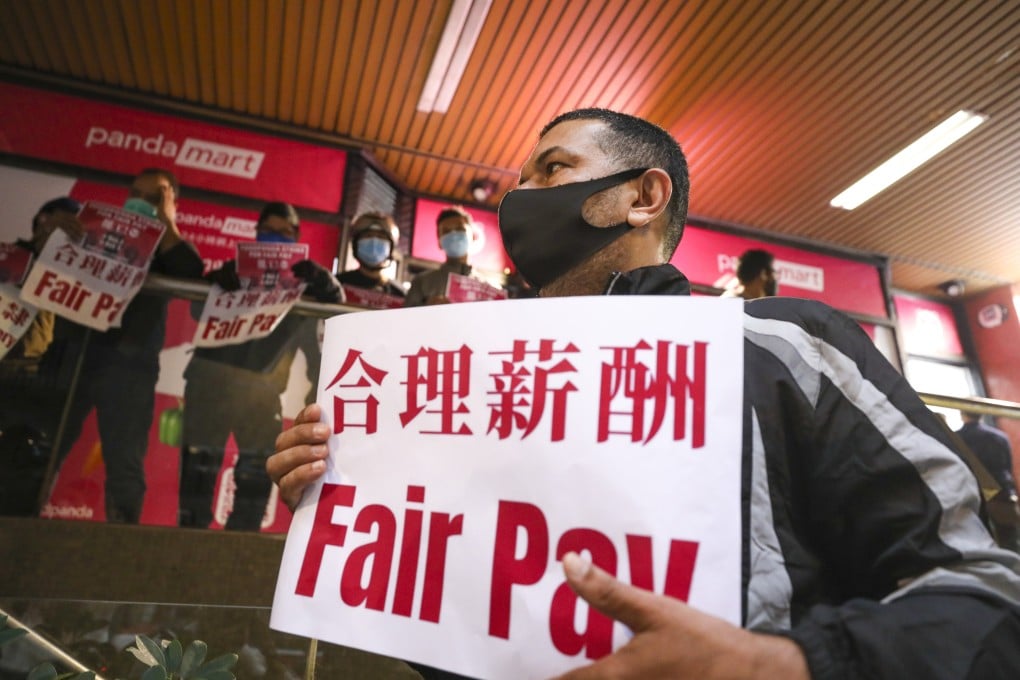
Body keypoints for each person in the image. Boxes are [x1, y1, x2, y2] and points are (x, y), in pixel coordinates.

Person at [268, 109, 1020, 678]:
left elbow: (984, 591)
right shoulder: (468, 393)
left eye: (551, 169)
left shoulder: (784, 345)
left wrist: (782, 665)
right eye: (521, 179)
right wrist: (343, 488)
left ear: (643, 196)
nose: (520, 198)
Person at [44, 168, 205, 523]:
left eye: (154, 197)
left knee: (125, 465)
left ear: (173, 203)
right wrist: (54, 235)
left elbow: (192, 272)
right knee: (43, 449)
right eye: (135, 193)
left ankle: (119, 550)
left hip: (129, 366)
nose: (140, 202)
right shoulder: (93, 231)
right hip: (74, 354)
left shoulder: (167, 250)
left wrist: (164, 222)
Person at [178, 201, 343, 531]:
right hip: (210, 383)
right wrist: (221, 280)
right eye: (270, 231)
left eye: (285, 232)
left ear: (296, 237)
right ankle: (188, 536)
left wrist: (322, 278)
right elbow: (197, 310)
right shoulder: (234, 270)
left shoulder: (303, 281)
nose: (276, 237)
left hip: (262, 390)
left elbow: (334, 305)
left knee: (255, 473)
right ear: (256, 234)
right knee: (199, 467)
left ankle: (241, 541)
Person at [0, 197, 84, 516]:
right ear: (40, 221)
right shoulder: (10, 257)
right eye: (61, 226)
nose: (66, 235)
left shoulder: (82, 279)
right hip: (8, 380)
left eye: (75, 231)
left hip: (47, 398)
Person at [957, 410, 1019, 549]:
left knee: (980, 541)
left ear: (962, 414)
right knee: (1010, 540)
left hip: (973, 491)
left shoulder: (957, 438)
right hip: (1002, 491)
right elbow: (1008, 466)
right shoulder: (1000, 436)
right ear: (982, 414)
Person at [403, 206, 484, 307]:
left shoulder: (488, 288)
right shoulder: (422, 283)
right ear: (439, 242)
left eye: (460, 229)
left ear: (473, 236)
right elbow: (406, 320)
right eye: (446, 231)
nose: (454, 234)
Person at [337, 212, 406, 298]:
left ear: (391, 248)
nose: (374, 242)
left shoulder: (400, 294)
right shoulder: (336, 286)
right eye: (368, 236)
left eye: (381, 237)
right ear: (355, 245)